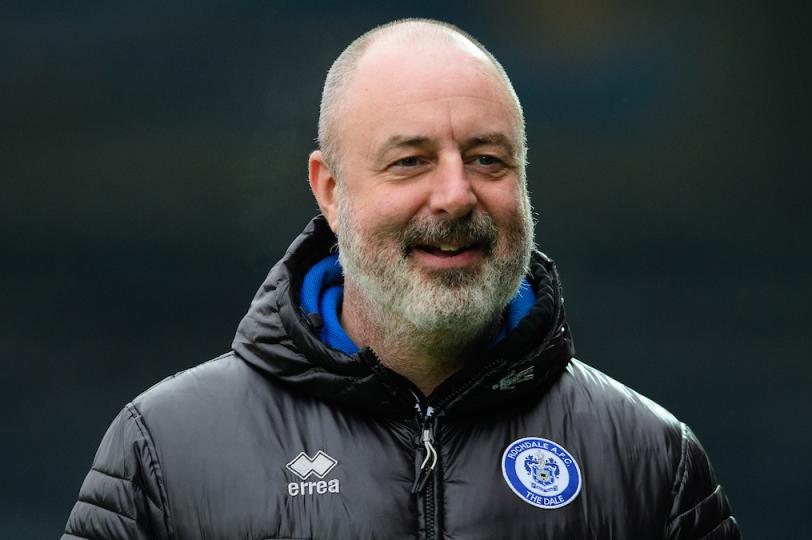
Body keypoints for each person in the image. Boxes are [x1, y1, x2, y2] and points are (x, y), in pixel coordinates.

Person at [63, 19, 741, 539]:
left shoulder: (653, 461)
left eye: (487, 158)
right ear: (330, 191)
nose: (455, 195)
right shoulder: (165, 451)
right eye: (411, 161)